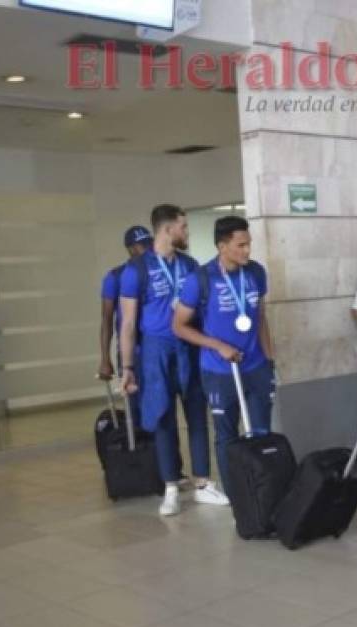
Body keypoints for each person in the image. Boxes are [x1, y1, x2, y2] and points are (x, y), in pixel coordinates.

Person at [120, 204, 227, 517]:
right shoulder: (136, 270)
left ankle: (204, 482)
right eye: (184, 227)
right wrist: (127, 367)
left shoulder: (191, 265)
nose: (187, 233)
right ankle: (170, 486)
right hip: (156, 350)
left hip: (189, 345)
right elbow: (127, 323)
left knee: (196, 413)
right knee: (163, 416)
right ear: (167, 230)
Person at [172, 217, 277, 496]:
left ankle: (264, 491)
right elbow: (178, 326)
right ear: (222, 246)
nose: (247, 250)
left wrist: (270, 361)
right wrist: (217, 345)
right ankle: (237, 496)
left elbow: (261, 318)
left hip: (256, 368)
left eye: (249, 244)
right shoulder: (200, 279)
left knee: (261, 432)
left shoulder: (256, 273)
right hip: (219, 371)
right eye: (240, 245)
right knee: (226, 435)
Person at [98, 225, 153, 427]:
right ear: (130, 249)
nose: (147, 250)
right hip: (131, 352)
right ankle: (141, 453)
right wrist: (105, 358)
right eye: (141, 247)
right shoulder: (115, 276)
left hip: (155, 349)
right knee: (135, 408)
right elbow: (106, 321)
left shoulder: (156, 272)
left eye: (149, 245)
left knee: (157, 407)